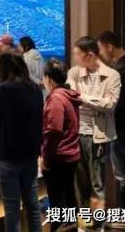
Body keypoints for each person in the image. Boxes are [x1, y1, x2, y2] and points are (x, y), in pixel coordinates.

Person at [0, 53, 43, 232]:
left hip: (7, 155)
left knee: (12, 209)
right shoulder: (35, 89)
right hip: (30, 154)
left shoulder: (4, 89)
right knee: (32, 205)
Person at [67, 36, 120, 223]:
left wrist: (83, 98)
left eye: (77, 54)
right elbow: (71, 96)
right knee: (80, 181)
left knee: (98, 182)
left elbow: (110, 104)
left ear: (89, 55)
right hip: (76, 134)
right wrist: (93, 100)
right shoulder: (74, 72)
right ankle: (84, 218)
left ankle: (98, 220)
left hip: (99, 135)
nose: (75, 58)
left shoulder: (112, 75)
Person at [97, 30, 125, 228]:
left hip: (121, 124)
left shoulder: (123, 69)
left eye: (101, 49)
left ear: (109, 46)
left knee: (123, 172)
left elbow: (120, 100)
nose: (101, 54)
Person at [40, 59, 80, 232]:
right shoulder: (68, 94)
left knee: (58, 202)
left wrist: (45, 156)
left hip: (59, 156)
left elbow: (53, 130)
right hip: (70, 153)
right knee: (68, 197)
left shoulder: (56, 98)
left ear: (48, 78)